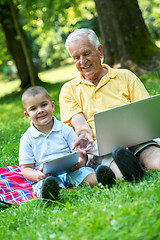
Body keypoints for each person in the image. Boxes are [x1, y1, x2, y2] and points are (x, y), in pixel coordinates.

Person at [59, 28, 160, 186]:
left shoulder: (125, 76)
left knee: (151, 152)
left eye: (86, 54)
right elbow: (79, 123)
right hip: (102, 147)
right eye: (76, 57)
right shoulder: (69, 89)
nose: (82, 61)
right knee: (113, 162)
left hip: (136, 136)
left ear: (100, 51)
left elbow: (146, 113)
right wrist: (83, 135)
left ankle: (139, 165)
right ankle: (135, 173)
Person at [19, 86, 99, 201]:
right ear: (27, 115)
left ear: (52, 106)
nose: (40, 110)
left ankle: (100, 178)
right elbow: (26, 168)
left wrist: (81, 161)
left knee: (86, 173)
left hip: (71, 171)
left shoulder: (65, 129)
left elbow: (78, 152)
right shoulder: (27, 139)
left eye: (43, 105)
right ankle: (51, 192)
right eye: (33, 109)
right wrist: (37, 175)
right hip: (47, 177)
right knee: (45, 184)